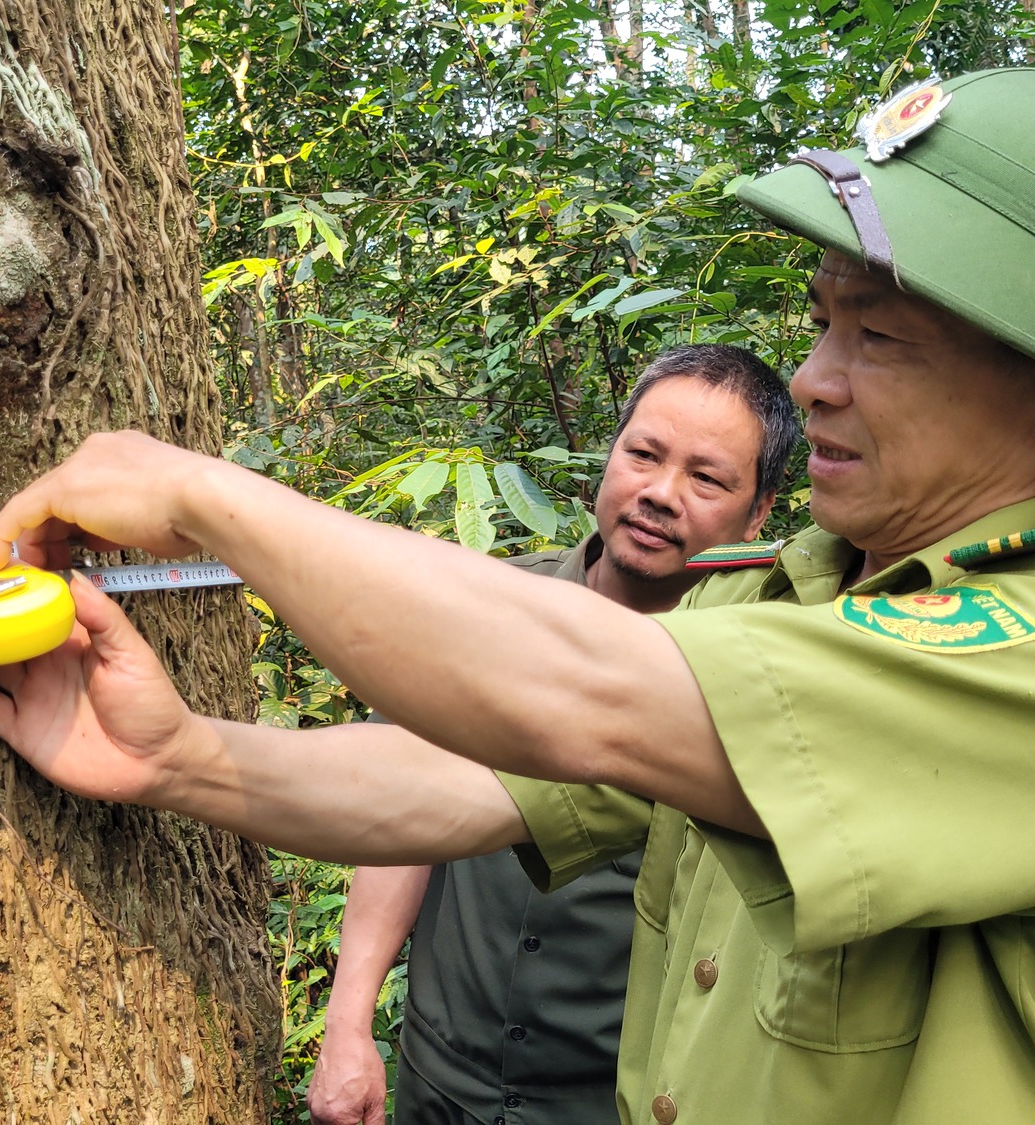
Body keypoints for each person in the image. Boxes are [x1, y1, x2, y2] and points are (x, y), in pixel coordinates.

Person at [0, 68, 1035, 1124]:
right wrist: (185, 759)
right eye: (822, 322)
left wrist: (208, 497)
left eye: (881, 336)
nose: (813, 379)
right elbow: (468, 785)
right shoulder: (796, 607)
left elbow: (579, 691)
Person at [308, 345, 800, 1125]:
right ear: (611, 454)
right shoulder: (490, 610)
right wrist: (348, 1023)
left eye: (706, 478)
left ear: (761, 509)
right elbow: (397, 815)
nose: (660, 493)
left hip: (612, 1100)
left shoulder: (762, 677)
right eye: (643, 454)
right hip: (439, 1076)